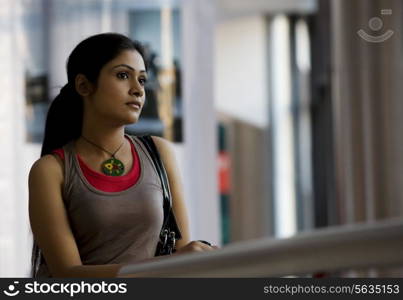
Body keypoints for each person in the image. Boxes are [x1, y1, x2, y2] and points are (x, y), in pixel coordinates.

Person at [28, 33, 218, 278]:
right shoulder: (51, 169)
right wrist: (165, 266)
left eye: (142, 79)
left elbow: (181, 254)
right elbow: (67, 275)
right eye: (122, 75)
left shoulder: (159, 153)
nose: (138, 90)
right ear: (84, 85)